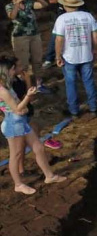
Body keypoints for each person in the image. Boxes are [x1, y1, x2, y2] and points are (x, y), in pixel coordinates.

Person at [0, 59, 67, 195]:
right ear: (7, 71)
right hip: (13, 124)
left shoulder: (8, 86)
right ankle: (18, 184)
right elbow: (17, 107)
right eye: (13, 69)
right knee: (16, 155)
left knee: (38, 147)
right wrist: (28, 96)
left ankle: (49, 176)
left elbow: (18, 105)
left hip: (21, 121)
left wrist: (23, 106)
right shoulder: (3, 91)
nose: (15, 71)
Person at [52, 0, 97, 118]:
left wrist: (58, 56)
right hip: (86, 54)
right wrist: (95, 49)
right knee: (88, 82)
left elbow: (59, 40)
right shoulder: (88, 16)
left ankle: (74, 111)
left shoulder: (61, 19)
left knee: (71, 84)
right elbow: (95, 35)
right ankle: (93, 107)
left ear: (65, 5)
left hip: (69, 56)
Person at [44, 0, 95, 67]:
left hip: (81, 12)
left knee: (85, 34)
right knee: (57, 35)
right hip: (63, 13)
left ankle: (89, 53)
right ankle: (49, 58)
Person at [6, 0, 49, 89]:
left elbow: (44, 5)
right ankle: (25, 86)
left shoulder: (28, 3)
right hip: (20, 37)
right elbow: (12, 16)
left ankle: (39, 83)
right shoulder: (9, 6)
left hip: (34, 35)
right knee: (22, 63)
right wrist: (17, 3)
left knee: (37, 60)